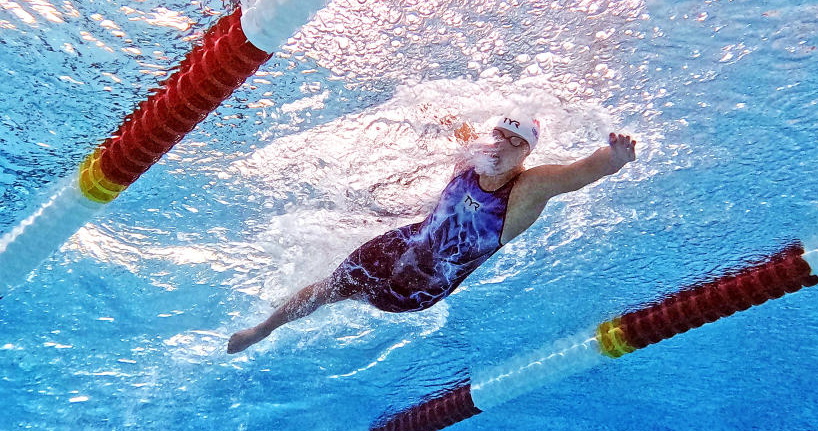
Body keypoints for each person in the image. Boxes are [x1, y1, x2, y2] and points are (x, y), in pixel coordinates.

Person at [227, 113, 639, 353]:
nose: (502, 146)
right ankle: (263, 329)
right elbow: (455, 129)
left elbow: (577, 173)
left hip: (420, 286)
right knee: (329, 288)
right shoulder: (474, 156)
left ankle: (325, 306)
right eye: (500, 135)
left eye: (516, 143)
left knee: (365, 296)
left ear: (526, 154)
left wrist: (613, 160)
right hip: (400, 243)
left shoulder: (527, 189)